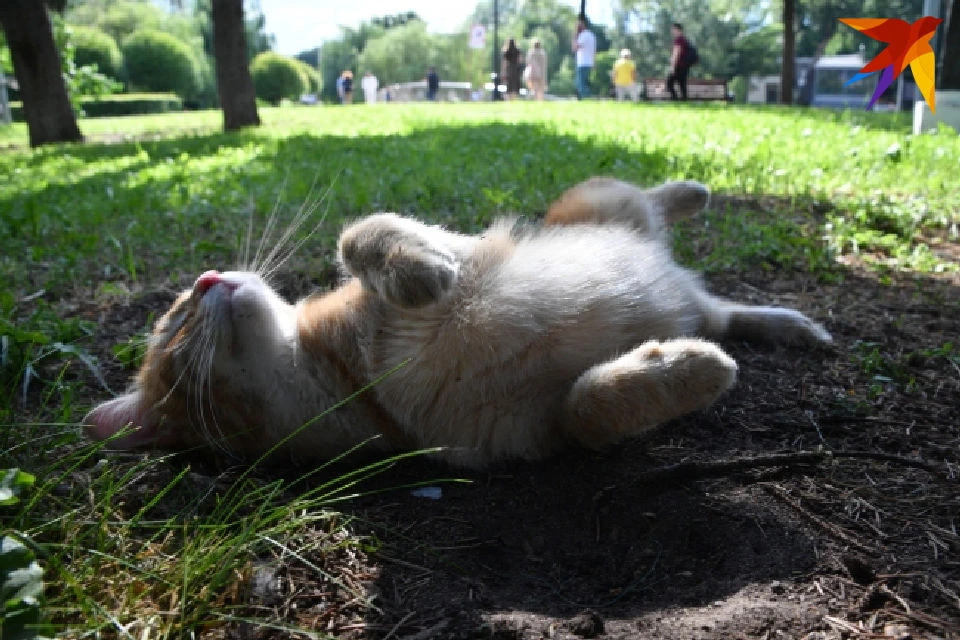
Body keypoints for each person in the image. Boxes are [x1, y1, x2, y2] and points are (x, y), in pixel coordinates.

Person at [572, 16, 596, 99]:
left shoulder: (583, 35)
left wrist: (575, 36)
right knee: (585, 82)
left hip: (583, 63)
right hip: (589, 62)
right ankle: (585, 97)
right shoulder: (591, 35)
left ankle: (585, 98)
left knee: (581, 83)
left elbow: (575, 47)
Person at [667, 22, 692, 101]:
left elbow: (676, 54)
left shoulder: (678, 40)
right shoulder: (684, 39)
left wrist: (672, 66)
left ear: (677, 29)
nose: (672, 31)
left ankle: (675, 99)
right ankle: (684, 100)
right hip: (684, 66)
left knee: (669, 84)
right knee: (682, 84)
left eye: (673, 29)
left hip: (678, 66)